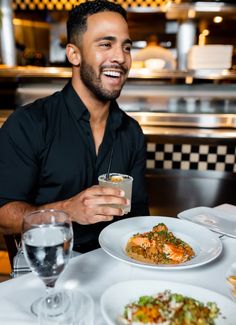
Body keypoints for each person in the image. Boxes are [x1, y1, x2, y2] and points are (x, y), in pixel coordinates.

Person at [0, 0, 149, 259]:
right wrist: (67, 211)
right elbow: (3, 217)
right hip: (48, 267)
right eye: (106, 44)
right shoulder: (29, 123)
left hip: (114, 265)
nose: (120, 57)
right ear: (74, 54)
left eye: (126, 47)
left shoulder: (131, 132)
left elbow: (137, 217)